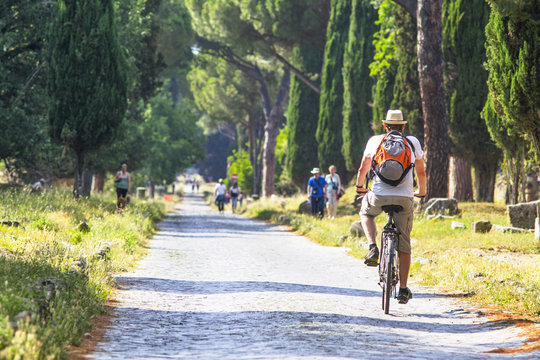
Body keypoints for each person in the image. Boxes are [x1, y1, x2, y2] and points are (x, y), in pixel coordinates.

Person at [355, 109, 426, 304]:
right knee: (404, 243)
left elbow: (363, 168)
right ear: (403, 126)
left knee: (365, 212)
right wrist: (421, 192)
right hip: (404, 197)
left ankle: (372, 248)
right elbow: (421, 172)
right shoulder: (413, 142)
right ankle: (403, 289)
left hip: (378, 195)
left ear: (385, 126)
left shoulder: (375, 140)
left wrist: (359, 187)